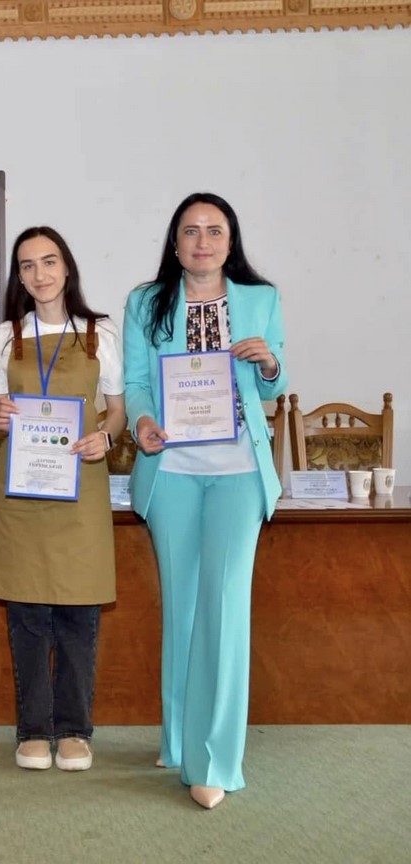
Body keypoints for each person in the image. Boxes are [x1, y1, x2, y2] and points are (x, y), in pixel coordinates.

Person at [123, 192, 287, 809]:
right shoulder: (146, 301)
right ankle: (177, 738)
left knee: (224, 610)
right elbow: (136, 382)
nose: (202, 241)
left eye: (214, 230)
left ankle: (214, 760)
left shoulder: (260, 300)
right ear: (174, 242)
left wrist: (268, 363)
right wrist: (142, 421)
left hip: (239, 472)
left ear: (230, 241)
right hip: (172, 471)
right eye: (190, 231)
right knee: (183, 609)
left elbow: (275, 384)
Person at [0, 226, 126, 773]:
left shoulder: (99, 332)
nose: (39, 274)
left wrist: (106, 436)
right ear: (18, 277)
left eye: (48, 262)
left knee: (78, 612)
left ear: (67, 268)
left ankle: (74, 730)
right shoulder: (5, 337)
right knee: (27, 613)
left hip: (79, 485)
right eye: (27, 265)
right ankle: (33, 730)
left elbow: (117, 409)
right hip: (22, 490)